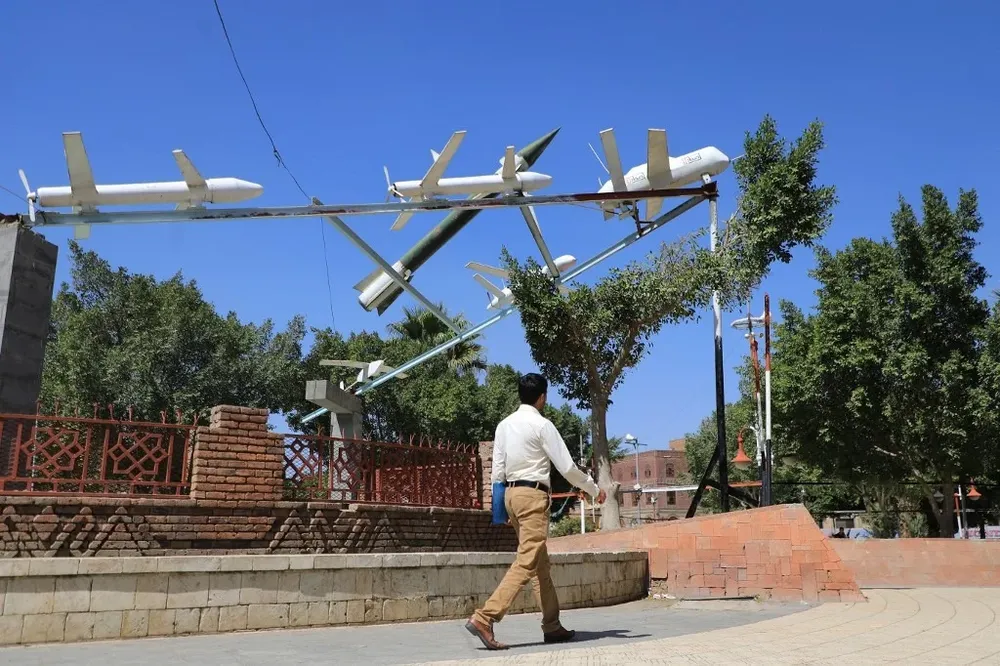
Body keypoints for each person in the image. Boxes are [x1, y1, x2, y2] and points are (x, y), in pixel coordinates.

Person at [464, 372, 606, 651]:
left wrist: (500, 510)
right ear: (542, 397)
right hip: (532, 497)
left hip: (511, 496)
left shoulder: (504, 426)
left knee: (540, 565)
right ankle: (485, 617)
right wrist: (593, 488)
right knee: (527, 561)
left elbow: (498, 471)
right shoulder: (542, 425)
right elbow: (567, 468)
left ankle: (552, 626)